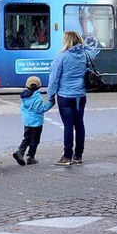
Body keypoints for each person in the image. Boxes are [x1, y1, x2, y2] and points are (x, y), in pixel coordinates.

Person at [47, 31, 95, 166]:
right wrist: (83, 46)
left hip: (65, 96)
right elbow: (94, 51)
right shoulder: (85, 55)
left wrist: (51, 96)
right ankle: (78, 155)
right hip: (80, 96)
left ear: (66, 41)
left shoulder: (61, 57)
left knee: (68, 126)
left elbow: (54, 78)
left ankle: (67, 156)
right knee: (79, 124)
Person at [12, 76, 54, 166]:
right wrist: (50, 103)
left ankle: (20, 151)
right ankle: (30, 157)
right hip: (36, 123)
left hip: (27, 122)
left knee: (26, 138)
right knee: (34, 140)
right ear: (39, 86)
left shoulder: (24, 96)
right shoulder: (37, 97)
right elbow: (39, 110)